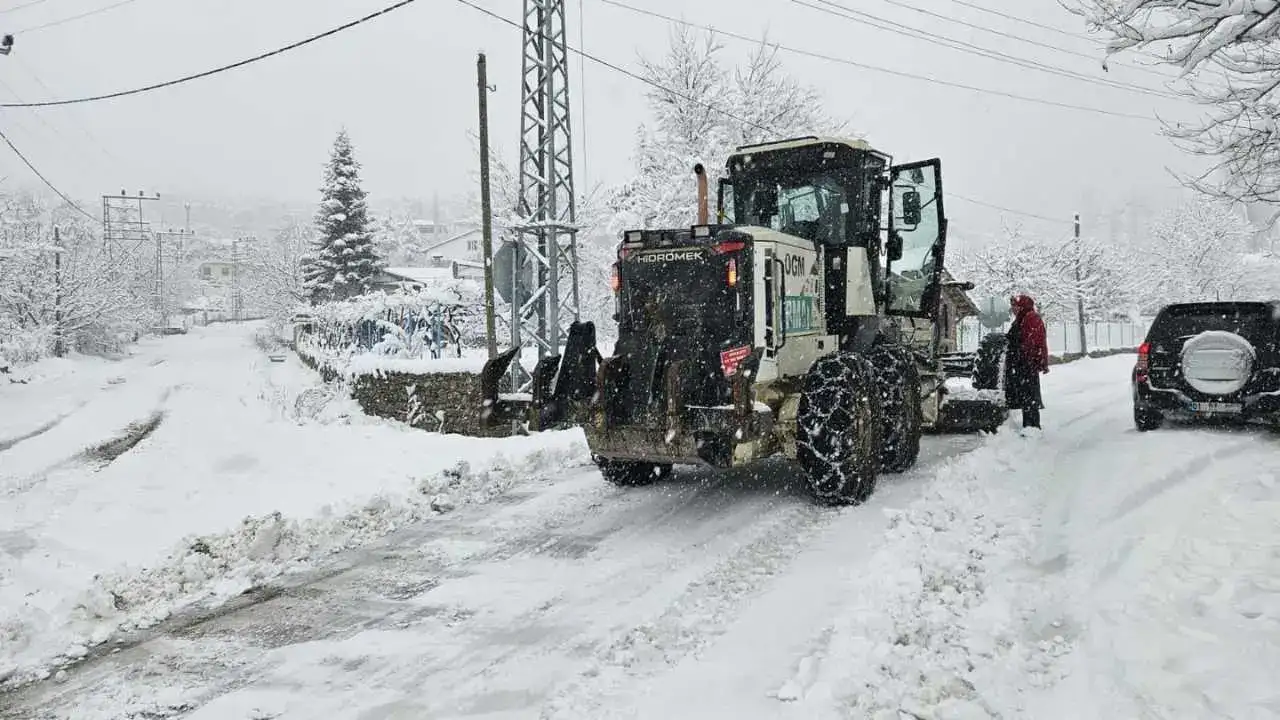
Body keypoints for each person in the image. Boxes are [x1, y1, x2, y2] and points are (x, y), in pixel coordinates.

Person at [1004, 294, 1049, 430]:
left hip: (1027, 364)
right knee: (1026, 397)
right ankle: (1029, 426)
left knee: (1029, 397)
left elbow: (1031, 342)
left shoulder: (1031, 318)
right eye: (1012, 306)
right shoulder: (1021, 319)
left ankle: (1032, 428)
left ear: (1022, 306)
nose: (1013, 309)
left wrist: (1022, 355)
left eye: (1015, 306)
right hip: (1022, 364)